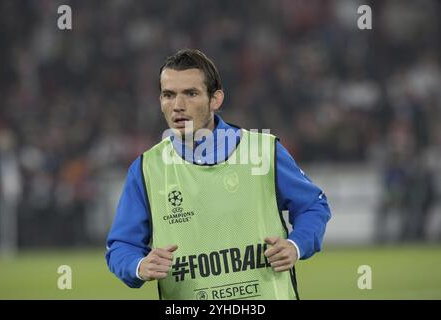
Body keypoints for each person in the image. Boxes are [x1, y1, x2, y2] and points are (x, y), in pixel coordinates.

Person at [105, 49, 331, 300]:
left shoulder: (262, 152)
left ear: (216, 99)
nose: (178, 106)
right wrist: (139, 266)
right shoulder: (146, 169)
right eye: (169, 95)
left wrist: (295, 245)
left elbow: (314, 206)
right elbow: (121, 246)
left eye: (191, 94)